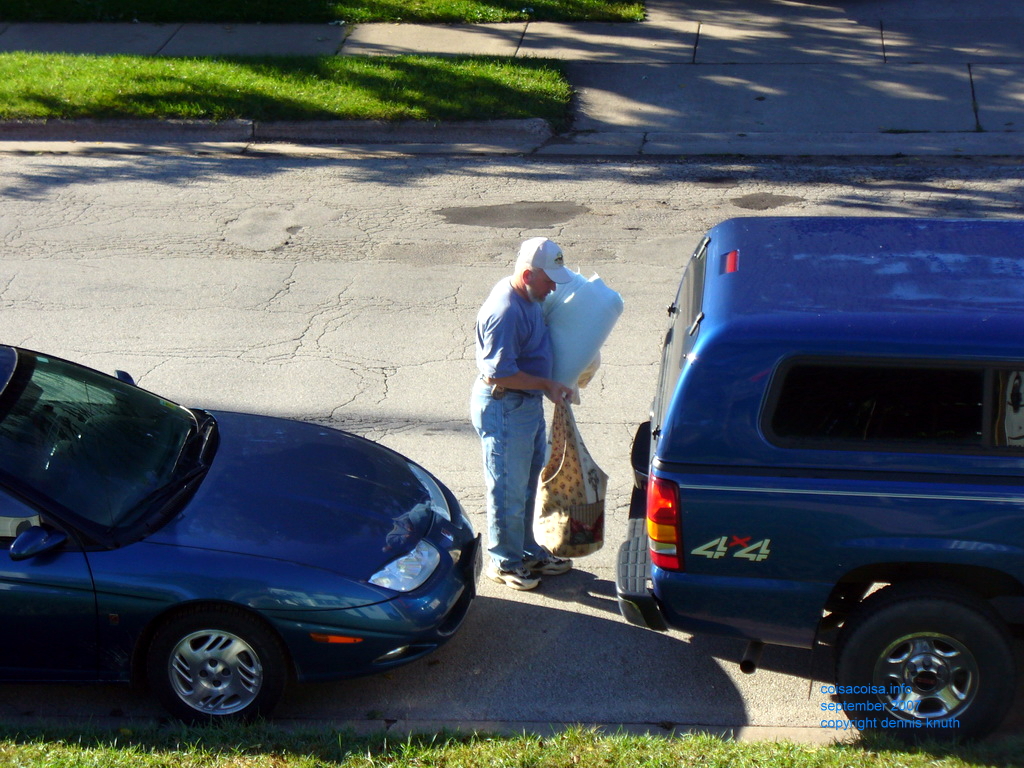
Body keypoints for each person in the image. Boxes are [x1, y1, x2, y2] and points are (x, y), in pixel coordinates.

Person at [471, 237, 577, 590]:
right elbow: (496, 373)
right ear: (529, 274)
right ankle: (504, 562)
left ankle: (527, 550)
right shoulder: (506, 311)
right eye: (549, 281)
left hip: (524, 405)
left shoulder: (527, 294)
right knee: (508, 489)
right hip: (505, 407)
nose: (553, 288)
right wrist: (547, 384)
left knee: (529, 483)